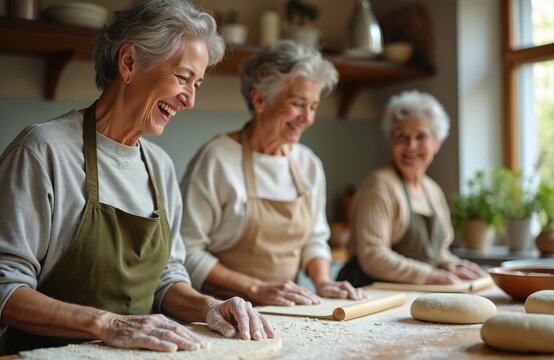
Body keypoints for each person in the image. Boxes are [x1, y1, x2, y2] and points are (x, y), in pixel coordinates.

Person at [0, 0, 273, 355]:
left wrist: (207, 306)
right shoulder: (43, 151)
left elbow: (167, 278)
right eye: (183, 77)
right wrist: (108, 324)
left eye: (198, 84)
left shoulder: (159, 166)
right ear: (129, 63)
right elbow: (5, 287)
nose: (190, 100)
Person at [180, 40, 366, 307]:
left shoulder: (307, 164)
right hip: (223, 313)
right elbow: (186, 251)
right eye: (298, 103)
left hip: (287, 310)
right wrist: (256, 288)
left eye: (313, 106)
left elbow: (315, 239)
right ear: (259, 99)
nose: (308, 118)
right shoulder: (217, 159)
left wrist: (323, 282)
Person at [337, 90, 487, 287]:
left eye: (421, 136)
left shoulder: (432, 190)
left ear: (436, 143)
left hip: (413, 291)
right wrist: (429, 275)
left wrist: (453, 265)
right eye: (402, 136)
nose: (411, 146)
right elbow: (373, 256)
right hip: (369, 292)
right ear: (391, 140)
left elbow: (436, 252)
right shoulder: (379, 185)